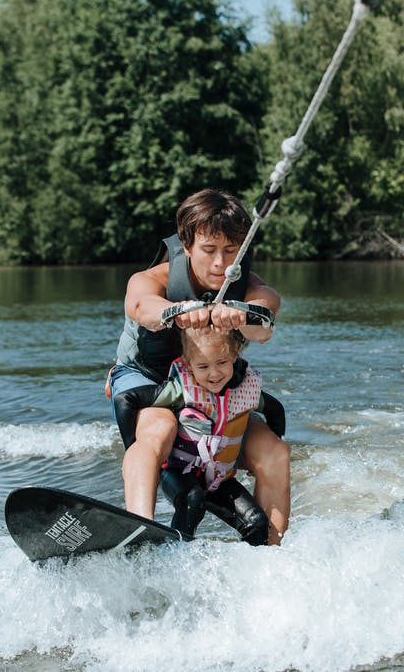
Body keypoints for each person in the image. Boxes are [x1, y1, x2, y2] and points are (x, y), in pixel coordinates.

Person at [109, 188, 290, 545]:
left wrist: (244, 315)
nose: (221, 264)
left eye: (230, 250)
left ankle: (272, 558)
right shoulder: (152, 280)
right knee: (158, 431)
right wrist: (176, 312)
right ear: (187, 245)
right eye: (209, 250)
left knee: (275, 453)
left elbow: (265, 320)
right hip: (152, 384)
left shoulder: (250, 287)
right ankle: (140, 532)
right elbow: (141, 306)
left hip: (210, 388)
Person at [119, 325, 286, 545]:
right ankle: (175, 557)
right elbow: (126, 400)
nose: (214, 373)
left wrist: (274, 441)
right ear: (189, 366)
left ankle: (252, 569)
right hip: (178, 472)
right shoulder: (180, 390)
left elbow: (276, 410)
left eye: (222, 363)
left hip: (218, 478)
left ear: (234, 357)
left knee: (257, 522)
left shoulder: (247, 391)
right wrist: (132, 448)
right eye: (203, 366)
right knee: (193, 499)